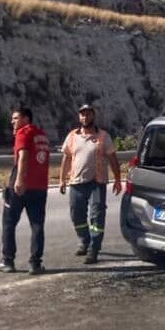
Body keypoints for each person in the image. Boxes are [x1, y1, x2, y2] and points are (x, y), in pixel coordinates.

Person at [58, 104, 122, 264]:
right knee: (76, 214)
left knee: (97, 215)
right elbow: (66, 158)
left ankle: (94, 248)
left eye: (88, 114)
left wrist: (117, 179)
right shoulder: (72, 136)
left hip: (97, 183)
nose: (85, 117)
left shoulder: (103, 136)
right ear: (79, 117)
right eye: (82, 115)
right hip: (76, 182)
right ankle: (84, 240)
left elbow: (113, 159)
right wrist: (61, 179)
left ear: (93, 116)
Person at [0, 107, 50, 275]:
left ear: (26, 119)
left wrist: (19, 179)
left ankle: (8, 261)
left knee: (9, 223)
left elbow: (23, 156)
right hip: (39, 187)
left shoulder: (23, 132)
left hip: (20, 187)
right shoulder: (42, 135)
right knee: (37, 225)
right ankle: (35, 264)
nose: (12, 122)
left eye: (16, 118)